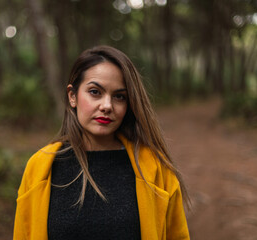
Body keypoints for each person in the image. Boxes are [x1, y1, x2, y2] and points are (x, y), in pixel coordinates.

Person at [13, 45, 190, 240]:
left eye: (119, 96)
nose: (107, 106)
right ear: (72, 96)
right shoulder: (40, 167)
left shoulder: (155, 169)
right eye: (95, 92)